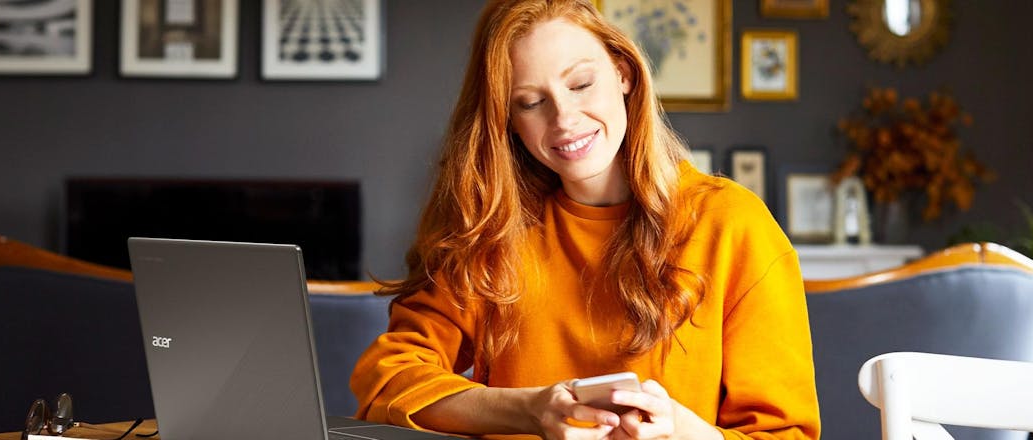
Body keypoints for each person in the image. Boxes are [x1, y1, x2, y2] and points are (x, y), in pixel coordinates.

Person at [350, 0, 821, 438]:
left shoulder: (731, 224)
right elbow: (389, 379)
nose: (564, 118)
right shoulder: (495, 230)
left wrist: (681, 430)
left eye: (580, 85)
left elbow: (786, 434)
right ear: (507, 119)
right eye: (530, 102)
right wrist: (531, 410)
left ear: (623, 73)